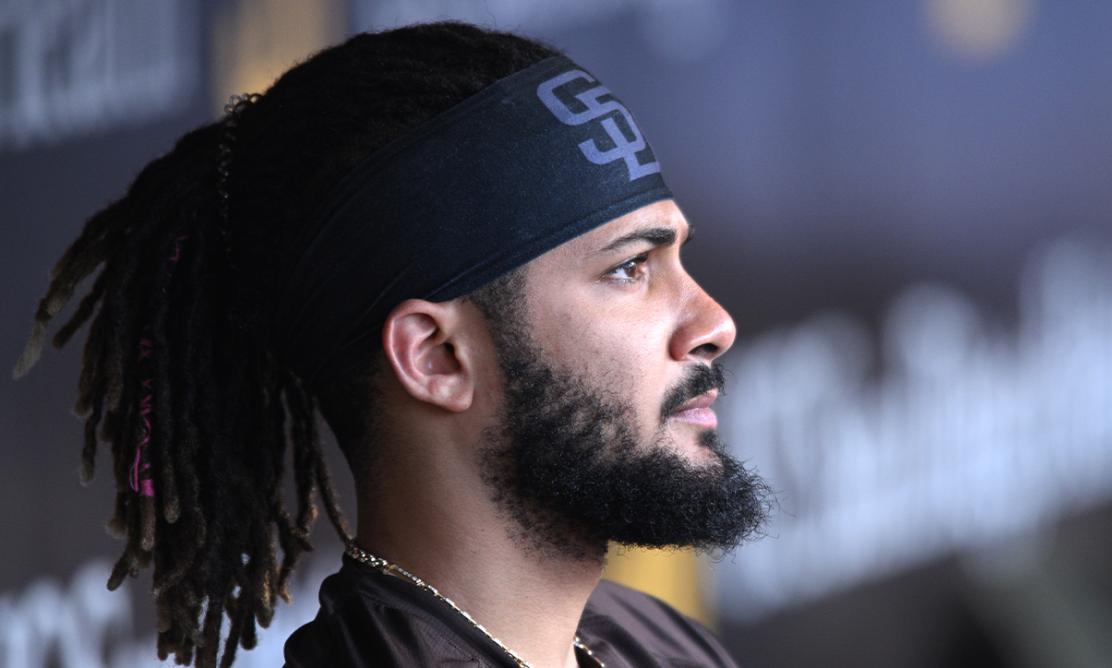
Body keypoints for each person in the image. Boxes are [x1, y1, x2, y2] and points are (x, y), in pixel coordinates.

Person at [15, 21, 771, 668]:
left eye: (678, 257)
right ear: (436, 358)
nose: (715, 322)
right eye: (630, 268)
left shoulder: (653, 641)